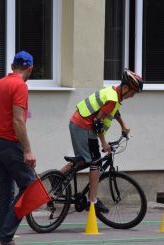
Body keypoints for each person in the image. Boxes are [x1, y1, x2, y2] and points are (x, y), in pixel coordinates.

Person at [60, 69, 143, 213]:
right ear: (125, 88)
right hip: (83, 126)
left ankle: (59, 177)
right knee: (96, 162)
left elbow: (113, 111)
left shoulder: (114, 93)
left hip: (80, 124)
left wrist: (123, 124)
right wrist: (104, 143)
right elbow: (97, 122)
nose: (133, 96)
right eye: (133, 92)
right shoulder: (112, 98)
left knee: (85, 160)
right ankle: (93, 201)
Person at [0, 51, 36, 245]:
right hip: (11, 144)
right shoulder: (20, 86)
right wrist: (28, 149)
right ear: (29, 69)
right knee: (30, 187)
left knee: (5, 194)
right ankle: (5, 237)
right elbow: (18, 121)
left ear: (13, 65)